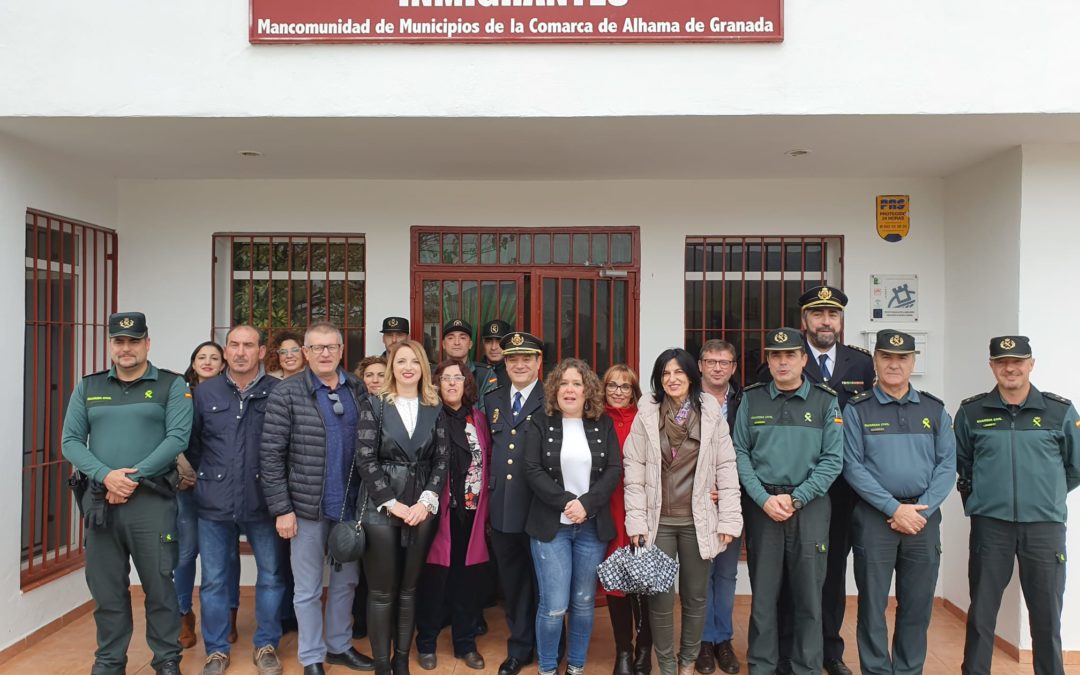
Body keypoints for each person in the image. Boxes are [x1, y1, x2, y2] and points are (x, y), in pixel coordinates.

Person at [61, 312, 193, 675]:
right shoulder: (88, 387)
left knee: (160, 587)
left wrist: (130, 478)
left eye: (134, 341)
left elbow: (177, 439)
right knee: (106, 590)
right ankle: (109, 661)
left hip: (151, 502)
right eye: (119, 341)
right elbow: (70, 441)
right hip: (100, 503)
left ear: (147, 343)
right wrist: (106, 477)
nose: (126, 348)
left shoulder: (172, 385)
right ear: (110, 345)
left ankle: (166, 659)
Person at [758, 286, 874, 675]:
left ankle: (829, 650)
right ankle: (786, 650)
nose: (826, 321)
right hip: (789, 487)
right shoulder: (784, 359)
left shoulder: (862, 365)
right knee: (788, 574)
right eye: (818, 314)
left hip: (839, 491)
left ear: (841, 320)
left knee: (830, 574)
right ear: (804, 320)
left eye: (833, 314)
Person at [955, 335, 1080, 675]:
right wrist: (986, 498)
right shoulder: (971, 412)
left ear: (1031, 364)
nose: (1010, 368)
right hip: (990, 526)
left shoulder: (1060, 411)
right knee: (981, 613)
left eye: (1017, 361)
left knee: (1046, 615)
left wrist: (1045, 495)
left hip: (1044, 528)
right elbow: (963, 465)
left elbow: (1075, 467)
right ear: (992, 366)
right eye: (1001, 362)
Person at [260, 321, 375, 675]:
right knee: (308, 589)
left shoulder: (357, 388)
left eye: (331, 347)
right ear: (305, 353)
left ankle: (339, 646)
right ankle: (312, 657)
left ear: (342, 351)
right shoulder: (287, 393)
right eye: (316, 347)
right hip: (306, 509)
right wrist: (282, 509)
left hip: (350, 508)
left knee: (346, 583)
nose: (324, 353)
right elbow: (270, 455)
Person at [623, 348, 743, 675]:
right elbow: (633, 470)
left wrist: (730, 518)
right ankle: (665, 665)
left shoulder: (710, 412)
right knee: (660, 600)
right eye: (665, 373)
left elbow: (726, 467)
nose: (672, 379)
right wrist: (635, 519)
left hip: (697, 521)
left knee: (695, 598)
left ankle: (687, 662)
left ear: (691, 375)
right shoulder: (647, 412)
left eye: (678, 372)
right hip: (657, 521)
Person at [842, 330, 955, 675]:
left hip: (923, 519)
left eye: (902, 358)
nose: (894, 364)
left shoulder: (934, 410)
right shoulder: (857, 408)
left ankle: (908, 670)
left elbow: (947, 466)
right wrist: (893, 509)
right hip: (875, 519)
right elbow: (852, 466)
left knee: (917, 605)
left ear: (913, 362)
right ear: (875, 360)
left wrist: (922, 508)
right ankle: (876, 670)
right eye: (886, 357)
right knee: (872, 605)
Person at [735, 327, 843, 675]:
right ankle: (762, 665)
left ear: (803, 359)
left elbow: (832, 461)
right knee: (764, 597)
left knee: (809, 597)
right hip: (763, 507)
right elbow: (739, 454)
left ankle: (806, 666)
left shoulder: (826, 401)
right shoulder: (751, 399)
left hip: (809, 507)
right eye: (776, 355)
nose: (783, 361)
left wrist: (797, 499)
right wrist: (764, 499)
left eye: (790, 355)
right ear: (767, 360)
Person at [186, 325, 286, 675]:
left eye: (249, 345)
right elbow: (193, 445)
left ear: (262, 352)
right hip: (214, 501)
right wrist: (215, 475)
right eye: (234, 345)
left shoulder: (279, 392)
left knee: (272, 575)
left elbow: (287, 447)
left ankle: (267, 644)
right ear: (225, 351)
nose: (241, 352)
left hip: (264, 501)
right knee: (213, 578)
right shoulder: (204, 393)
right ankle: (216, 651)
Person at [356, 339, 449, 675]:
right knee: (382, 592)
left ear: (423, 367)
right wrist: (391, 503)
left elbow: (442, 458)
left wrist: (427, 501)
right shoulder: (375, 404)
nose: (408, 367)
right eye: (400, 361)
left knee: (409, 590)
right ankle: (382, 664)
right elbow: (365, 457)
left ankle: (401, 660)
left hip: (421, 509)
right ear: (392, 367)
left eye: (414, 361)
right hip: (380, 508)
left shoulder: (434, 405)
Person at [524, 358, 622, 675]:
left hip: (591, 528)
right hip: (551, 528)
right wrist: (569, 502)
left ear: (587, 390)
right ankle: (549, 668)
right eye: (564, 383)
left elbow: (614, 470)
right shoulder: (540, 421)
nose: (570, 389)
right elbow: (532, 470)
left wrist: (587, 504)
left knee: (582, 602)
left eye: (577, 383)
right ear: (555, 389)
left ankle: (576, 666)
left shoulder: (603, 423)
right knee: (553, 605)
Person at [415, 360, 490, 672]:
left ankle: (465, 643)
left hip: (472, 513)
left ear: (466, 383)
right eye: (445, 378)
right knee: (435, 580)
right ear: (436, 384)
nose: (451, 383)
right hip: (437, 513)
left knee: (467, 581)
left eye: (457, 378)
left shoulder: (479, 419)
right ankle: (427, 642)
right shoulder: (428, 418)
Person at [484, 331, 546, 675]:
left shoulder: (552, 397)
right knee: (515, 582)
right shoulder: (493, 400)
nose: (519, 365)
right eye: (512, 359)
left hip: (540, 506)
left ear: (538, 362)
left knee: (545, 580)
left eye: (526, 358)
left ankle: (550, 642)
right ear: (504, 363)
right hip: (504, 506)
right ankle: (520, 647)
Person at [601, 364, 653, 675]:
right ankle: (623, 649)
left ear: (634, 391)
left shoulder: (646, 420)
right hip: (608, 510)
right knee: (615, 582)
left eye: (625, 386)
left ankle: (644, 648)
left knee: (642, 583)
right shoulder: (594, 420)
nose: (618, 391)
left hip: (641, 510)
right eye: (612, 385)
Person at [176, 341, 229, 650]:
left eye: (214, 357)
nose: (207, 362)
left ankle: (230, 615)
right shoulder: (179, 394)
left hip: (221, 486)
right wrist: (186, 473)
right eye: (201, 357)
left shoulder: (230, 392)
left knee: (227, 556)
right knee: (185, 553)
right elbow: (172, 437)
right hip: (185, 484)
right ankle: (184, 614)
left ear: (223, 364)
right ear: (193, 362)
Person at [696, 340, 743, 675]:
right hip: (695, 501)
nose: (717, 368)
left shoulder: (746, 400)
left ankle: (722, 640)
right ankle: (702, 641)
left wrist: (726, 489)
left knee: (726, 573)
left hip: (732, 499)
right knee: (701, 574)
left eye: (724, 362)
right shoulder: (684, 400)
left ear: (733, 367)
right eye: (710, 361)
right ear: (699, 365)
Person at [441, 319, 498, 410]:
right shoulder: (433, 374)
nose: (457, 342)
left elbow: (487, 412)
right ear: (443, 344)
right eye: (451, 338)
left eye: (462, 338)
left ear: (470, 344)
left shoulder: (484, 374)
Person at [480, 319, 512, 390]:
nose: (493, 347)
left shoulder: (515, 372)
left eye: (499, 341)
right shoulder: (475, 372)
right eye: (488, 342)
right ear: (483, 344)